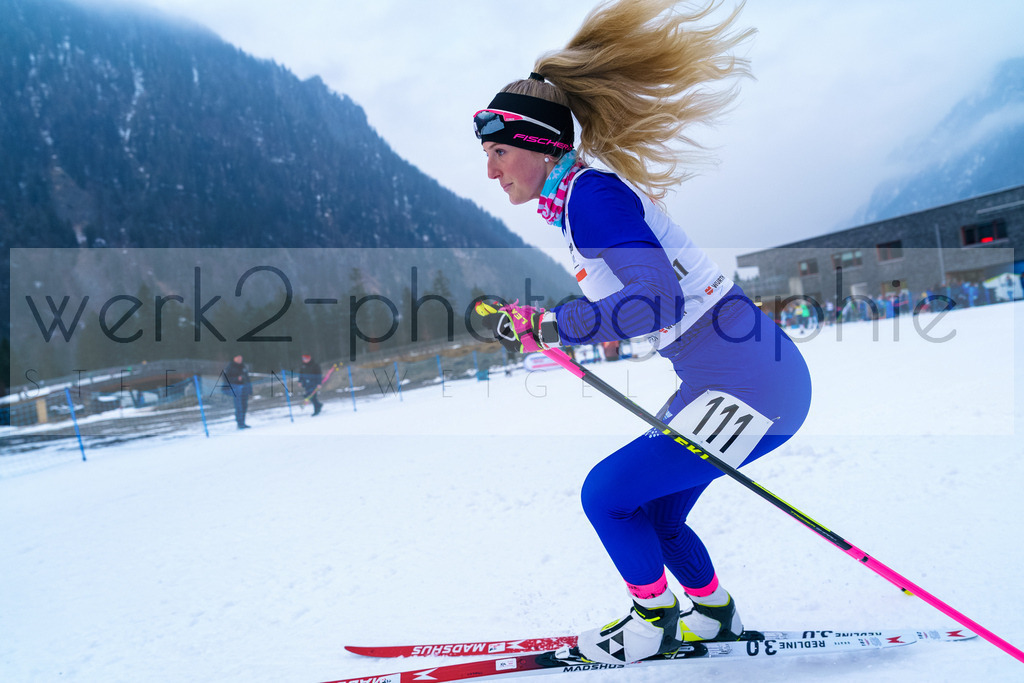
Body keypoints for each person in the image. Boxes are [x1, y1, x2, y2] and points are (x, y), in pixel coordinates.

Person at [472, 0, 812, 665]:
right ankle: (713, 615)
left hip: (747, 380)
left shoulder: (590, 198)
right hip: (745, 372)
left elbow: (655, 303)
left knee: (606, 495)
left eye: (499, 151)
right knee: (654, 511)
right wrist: (547, 322)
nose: (491, 170)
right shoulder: (578, 201)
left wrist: (553, 324)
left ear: (540, 145)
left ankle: (651, 620)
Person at [223, 354, 252, 429]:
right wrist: (236, 379)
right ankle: (240, 423)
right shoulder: (230, 367)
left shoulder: (243, 367)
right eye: (238, 358)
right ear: (234, 358)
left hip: (244, 389)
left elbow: (247, 378)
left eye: (241, 357)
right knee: (239, 406)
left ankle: (243, 422)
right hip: (235, 390)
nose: (240, 359)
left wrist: (250, 389)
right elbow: (226, 379)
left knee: (244, 406)